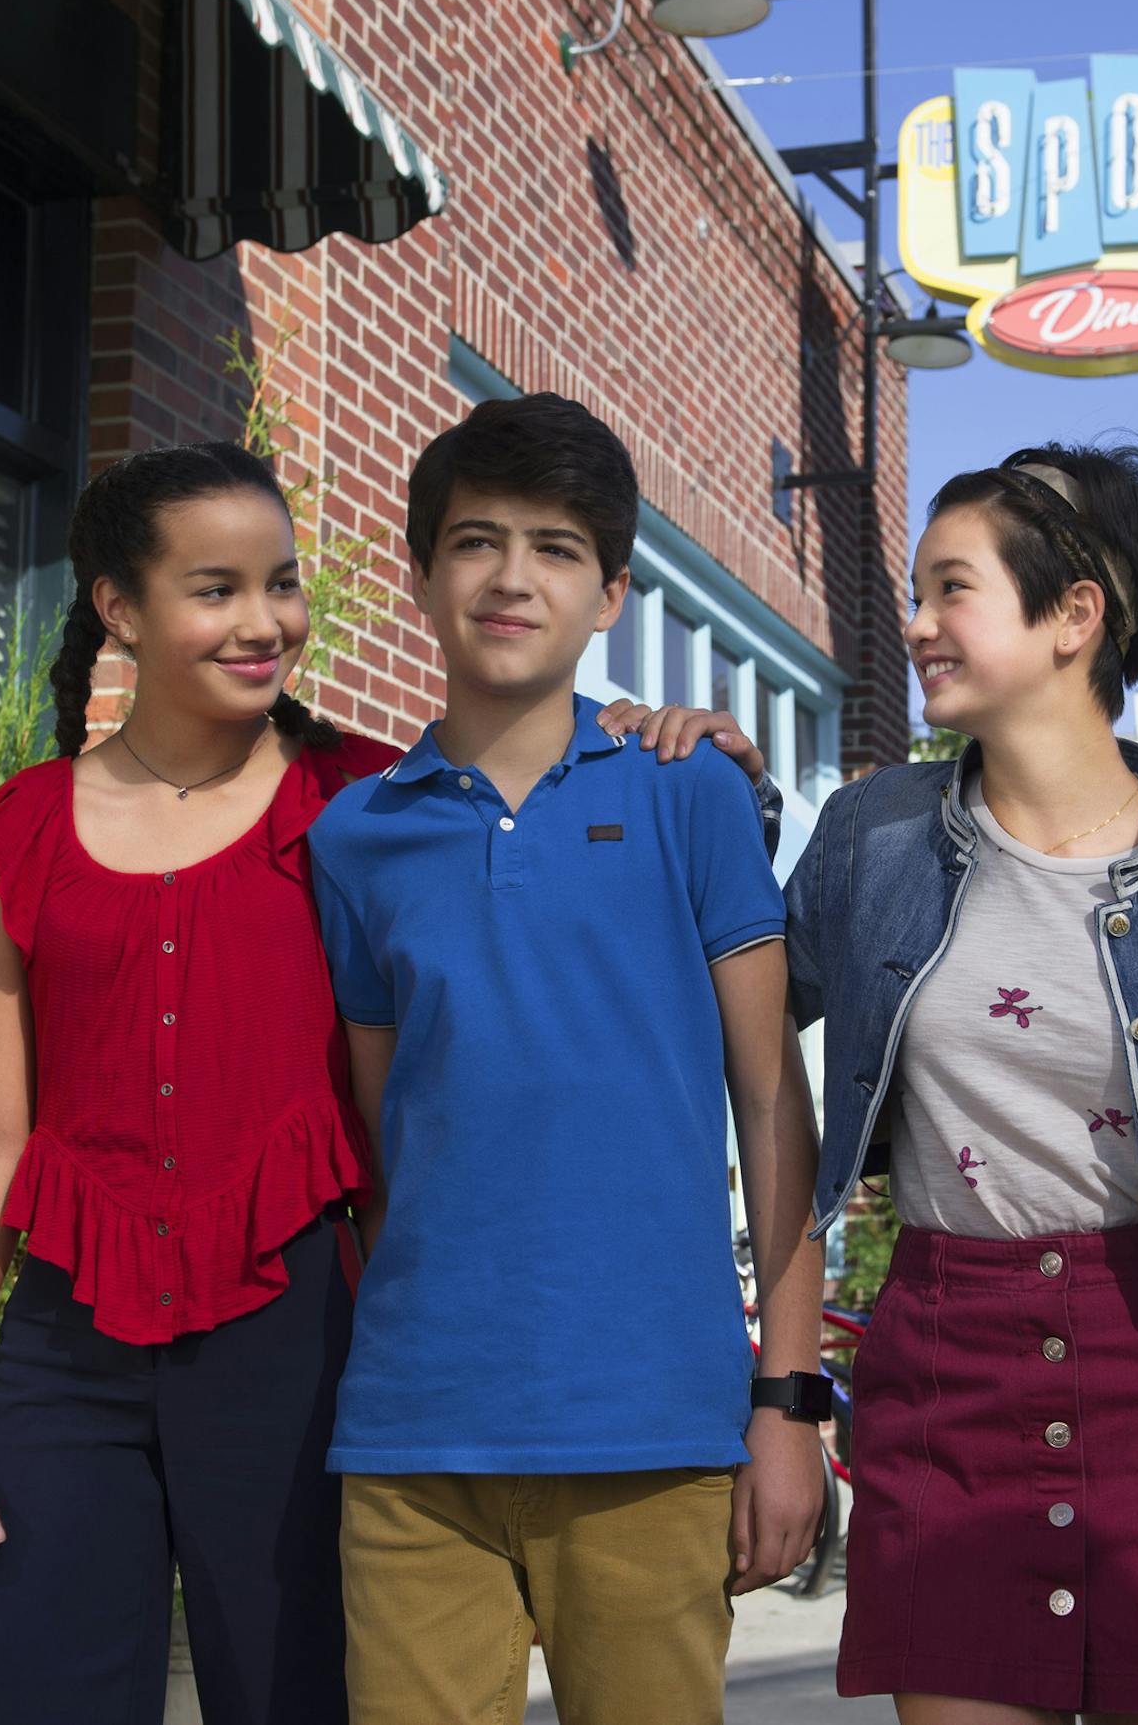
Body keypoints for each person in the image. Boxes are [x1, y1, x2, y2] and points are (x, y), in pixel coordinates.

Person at [606, 442, 1138, 1723]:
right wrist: (720, 813)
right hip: (944, 1378)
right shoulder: (874, 837)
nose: (916, 623)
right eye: (917, 593)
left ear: (1076, 615)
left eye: (950, 589)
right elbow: (724, 1011)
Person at [304, 393, 827, 1725]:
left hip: (652, 1422)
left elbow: (774, 1107)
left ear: (609, 595)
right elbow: (386, 1147)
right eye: (475, 541)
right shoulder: (356, 838)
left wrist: (788, 1400)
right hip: (416, 1434)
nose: (511, 576)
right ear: (423, 574)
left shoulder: (691, 791)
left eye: (555, 547)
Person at [0, 442, 399, 1723]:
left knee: (297, 1697)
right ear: (119, 607)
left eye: (281, 583)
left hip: (296, 1332)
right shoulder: (12, 842)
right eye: (216, 589)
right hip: (67, 1348)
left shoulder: (365, 807)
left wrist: (657, 741)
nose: (264, 621)